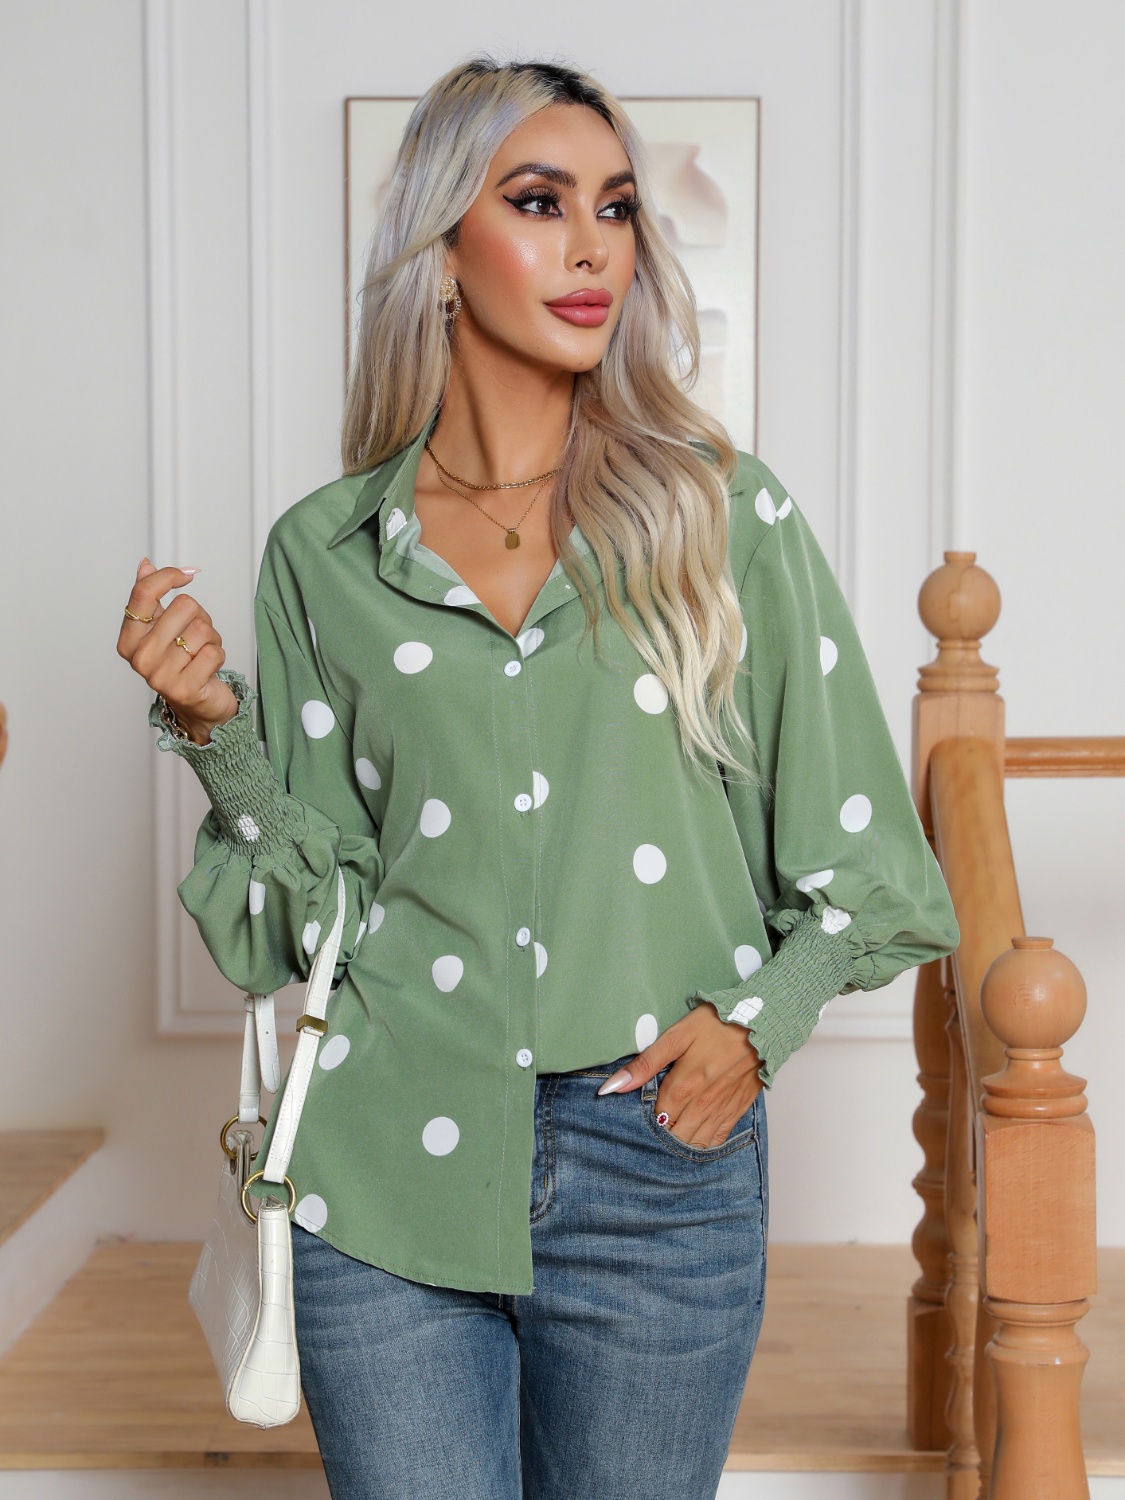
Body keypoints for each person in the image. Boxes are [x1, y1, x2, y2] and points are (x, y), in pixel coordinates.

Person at [117, 55, 958, 1500]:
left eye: (615, 208)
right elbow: (302, 916)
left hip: (656, 1169)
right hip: (383, 1159)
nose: (591, 247)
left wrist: (755, 1030)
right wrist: (214, 730)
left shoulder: (722, 518)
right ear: (442, 246)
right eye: (538, 201)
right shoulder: (326, 553)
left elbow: (868, 863)